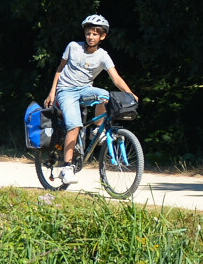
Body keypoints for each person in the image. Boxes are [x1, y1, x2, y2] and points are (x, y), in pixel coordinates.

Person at [43, 14, 137, 183]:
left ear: (102, 36)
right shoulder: (73, 47)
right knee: (74, 125)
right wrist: (52, 92)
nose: (91, 37)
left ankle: (97, 129)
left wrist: (129, 93)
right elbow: (59, 69)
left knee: (107, 96)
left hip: (85, 89)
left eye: (95, 34)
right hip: (66, 91)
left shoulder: (103, 55)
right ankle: (67, 168)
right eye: (88, 33)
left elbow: (115, 78)